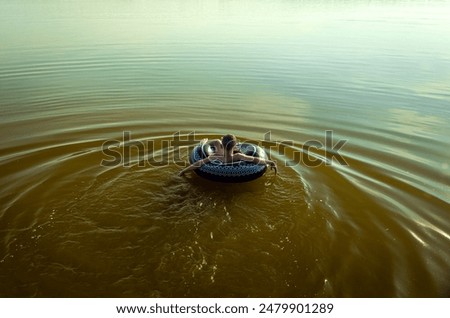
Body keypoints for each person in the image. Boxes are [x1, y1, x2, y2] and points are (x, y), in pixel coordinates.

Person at [178, 134, 277, 176]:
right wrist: (271, 162)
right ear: (234, 146)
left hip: (221, 158)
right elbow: (255, 159)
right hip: (231, 156)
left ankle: (204, 142)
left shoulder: (215, 156)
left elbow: (198, 163)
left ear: (223, 145)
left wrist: (183, 171)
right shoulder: (238, 156)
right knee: (217, 142)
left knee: (215, 141)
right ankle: (228, 144)